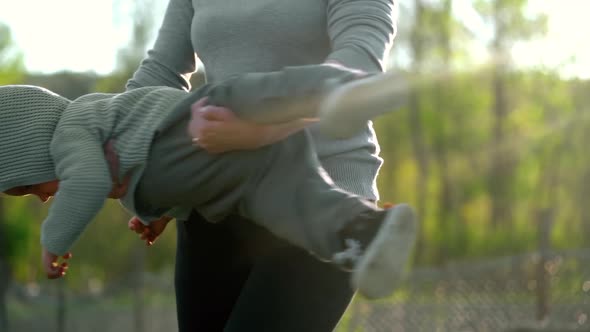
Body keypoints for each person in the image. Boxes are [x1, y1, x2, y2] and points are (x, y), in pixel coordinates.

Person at [0, 68, 416, 299]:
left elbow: (88, 181)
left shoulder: (69, 127)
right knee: (250, 118)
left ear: (27, 145)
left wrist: (53, 241)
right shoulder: (87, 128)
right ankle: (338, 95)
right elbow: (117, 175)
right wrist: (157, 210)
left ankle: (358, 228)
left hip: (195, 150)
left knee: (283, 181)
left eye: (24, 186)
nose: (37, 196)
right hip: (187, 160)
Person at [126, 0, 401, 330]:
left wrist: (264, 129)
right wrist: (140, 170)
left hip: (323, 203)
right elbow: (160, 75)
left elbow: (357, 70)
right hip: (217, 200)